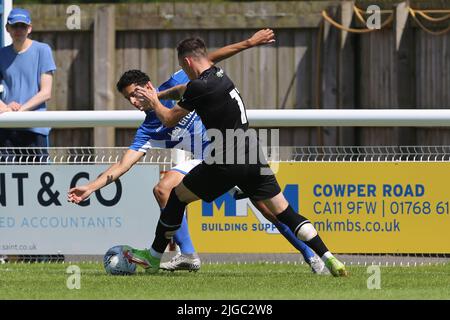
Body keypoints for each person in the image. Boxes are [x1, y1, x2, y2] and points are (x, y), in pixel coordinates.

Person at [67, 30, 327, 274]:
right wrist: (91, 187)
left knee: (269, 210)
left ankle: (311, 255)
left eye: (136, 94)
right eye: (129, 99)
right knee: (163, 189)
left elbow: (208, 58)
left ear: (148, 87)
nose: (135, 102)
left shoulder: (179, 83)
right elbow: (122, 165)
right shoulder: (148, 130)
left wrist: (249, 43)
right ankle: (188, 255)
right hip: (207, 163)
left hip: (230, 154)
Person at [0, 8, 56, 157]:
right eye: (14, 26)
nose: (19, 29)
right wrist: (5, 108)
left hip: (35, 128)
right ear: (7, 28)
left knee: (38, 177)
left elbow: (46, 93)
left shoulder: (43, 50)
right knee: (6, 179)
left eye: (22, 26)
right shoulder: (1, 54)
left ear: (29, 28)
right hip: (6, 129)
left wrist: (18, 112)